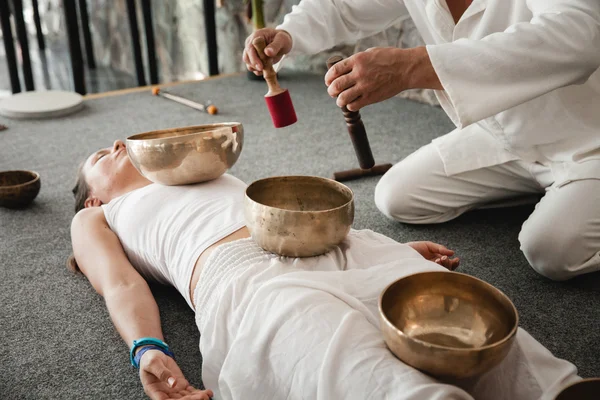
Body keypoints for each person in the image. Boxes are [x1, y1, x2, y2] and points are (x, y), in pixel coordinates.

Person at [69, 139, 580, 400]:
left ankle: (559, 392)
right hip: (248, 275)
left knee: (465, 320)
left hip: (336, 238)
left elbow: (294, 206)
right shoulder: (100, 216)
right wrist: (148, 349)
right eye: (102, 154)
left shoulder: (198, 164)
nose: (117, 146)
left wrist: (385, 245)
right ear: (92, 195)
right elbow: (120, 284)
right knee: (340, 353)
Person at [243, 0, 600, 282]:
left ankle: (570, 194)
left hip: (587, 139)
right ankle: (554, 192)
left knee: (551, 250)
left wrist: (411, 67)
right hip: (507, 133)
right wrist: (289, 33)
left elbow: (580, 35)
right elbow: (341, 5)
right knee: (396, 196)